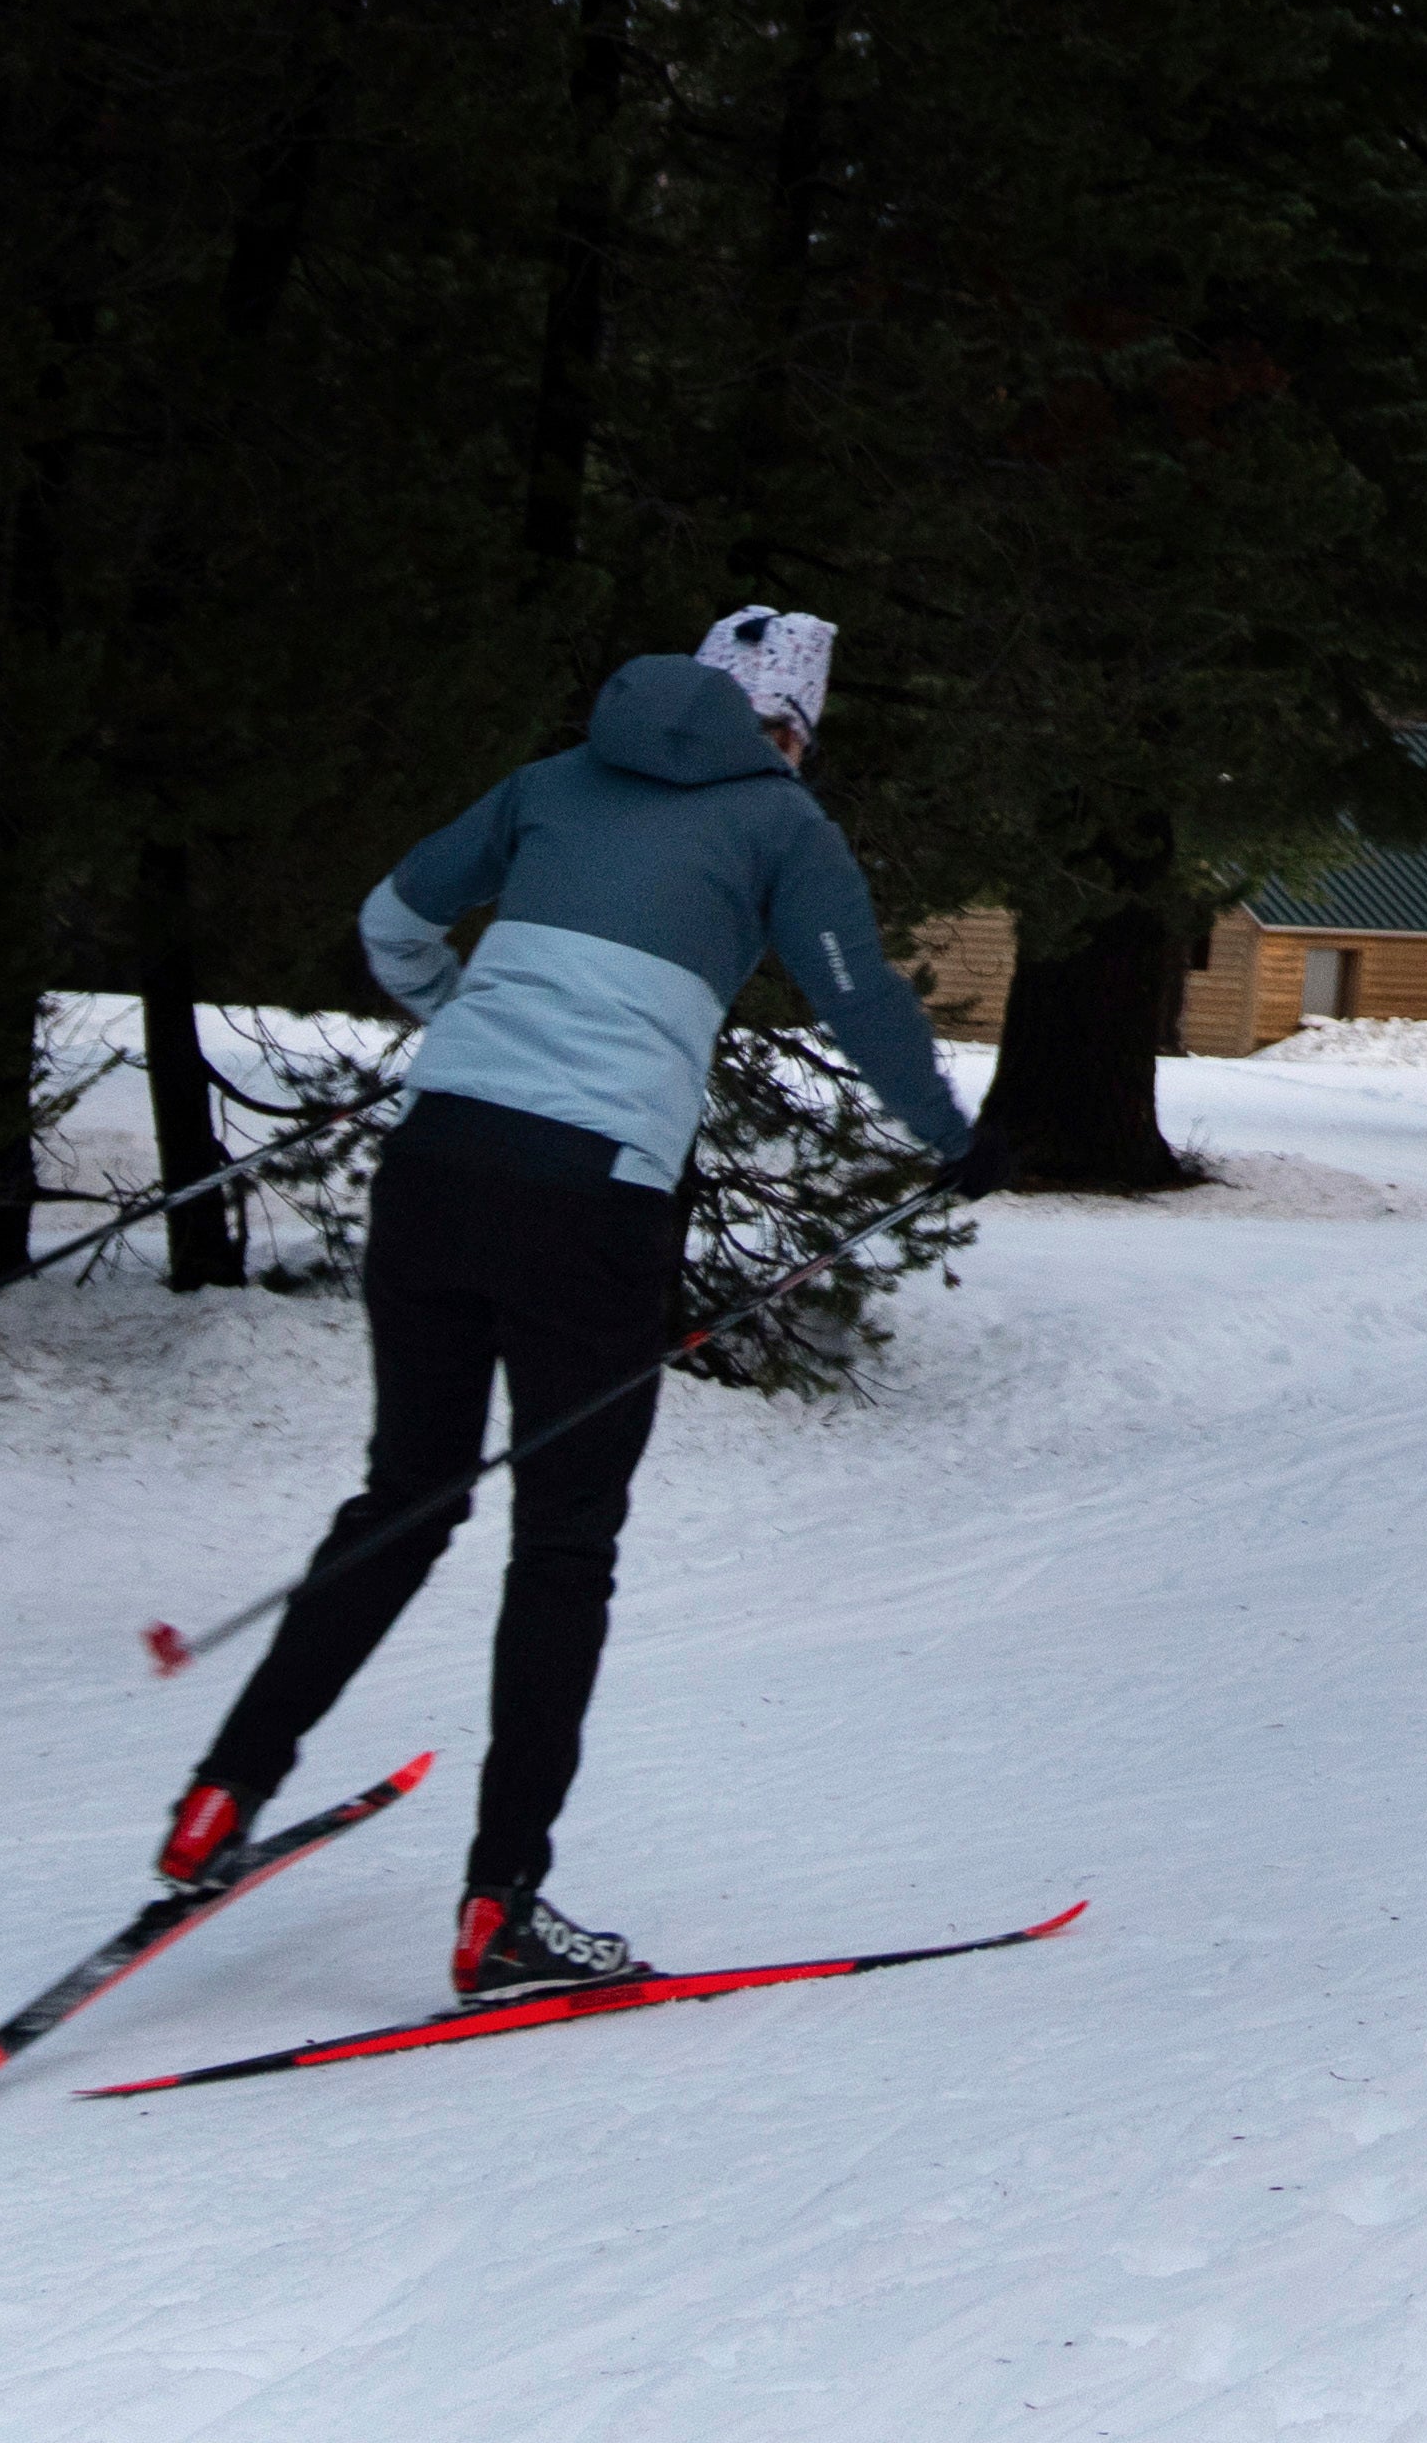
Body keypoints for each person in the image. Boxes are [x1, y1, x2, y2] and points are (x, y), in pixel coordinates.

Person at [161, 604, 979, 1995]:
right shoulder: (781, 823)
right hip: (591, 1199)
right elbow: (859, 1000)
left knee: (406, 1495)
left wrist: (461, 1017)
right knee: (562, 1546)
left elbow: (393, 920)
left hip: (437, 1164)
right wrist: (955, 1137)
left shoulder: (555, 779)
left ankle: (219, 1797)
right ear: (793, 728)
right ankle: (502, 1908)